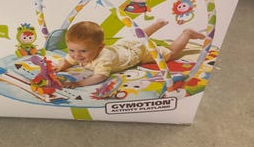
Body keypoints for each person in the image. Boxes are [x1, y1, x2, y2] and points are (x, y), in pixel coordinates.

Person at [54, 20, 205, 88]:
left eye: (83, 51)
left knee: (170, 53)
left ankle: (187, 33)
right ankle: (156, 25)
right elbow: (69, 60)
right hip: (124, 44)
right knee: (138, 37)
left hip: (140, 52)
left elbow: (100, 76)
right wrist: (61, 65)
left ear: (100, 47)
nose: (77, 56)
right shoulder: (77, 54)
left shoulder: (103, 59)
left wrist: (79, 83)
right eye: (72, 50)